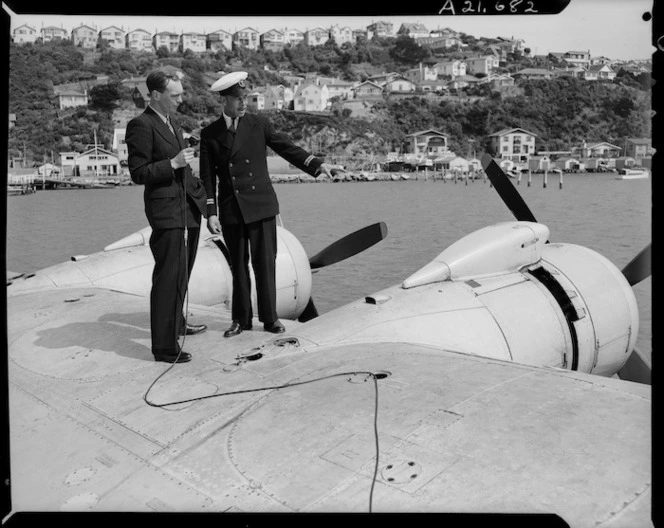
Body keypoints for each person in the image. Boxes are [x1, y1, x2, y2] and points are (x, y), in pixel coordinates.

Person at [200, 71, 343, 338]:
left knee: (265, 263)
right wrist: (211, 212)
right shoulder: (210, 134)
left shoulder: (259, 124)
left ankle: (270, 318)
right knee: (238, 267)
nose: (243, 103)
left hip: (262, 205)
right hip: (232, 208)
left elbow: (286, 147)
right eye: (237, 99)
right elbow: (208, 177)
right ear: (224, 101)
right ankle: (240, 320)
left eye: (245, 98)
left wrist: (318, 164)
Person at [125, 69, 208, 363]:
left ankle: (177, 324)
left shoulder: (172, 121)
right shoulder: (140, 125)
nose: (181, 100)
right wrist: (172, 163)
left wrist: (206, 206)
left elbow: (182, 169)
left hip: (189, 210)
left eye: (182, 94)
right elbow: (138, 173)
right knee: (167, 279)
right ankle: (164, 347)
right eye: (176, 95)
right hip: (167, 213)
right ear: (157, 96)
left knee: (181, 276)